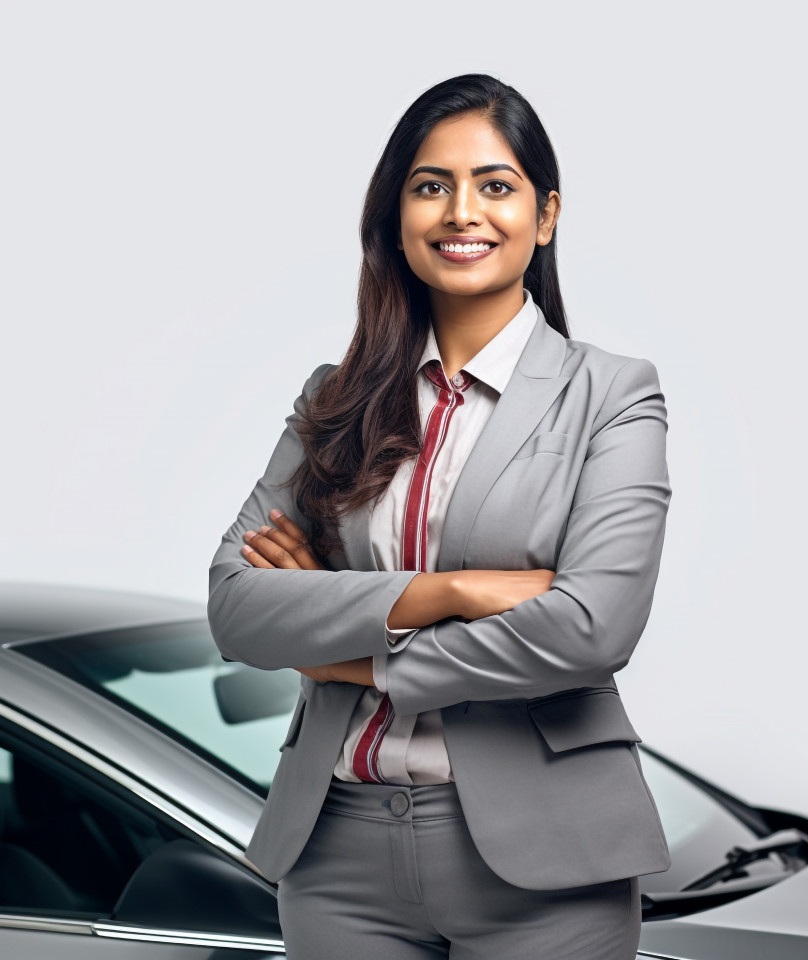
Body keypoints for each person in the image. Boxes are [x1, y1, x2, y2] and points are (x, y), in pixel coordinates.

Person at [208, 73, 672, 960]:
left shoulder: (611, 394)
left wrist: (357, 663)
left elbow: (591, 627)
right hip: (336, 851)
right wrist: (447, 590)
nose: (463, 212)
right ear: (395, 219)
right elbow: (235, 605)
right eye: (432, 186)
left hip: (548, 862)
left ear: (544, 216)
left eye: (495, 186)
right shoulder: (333, 399)